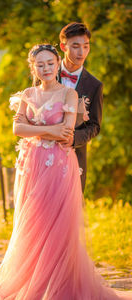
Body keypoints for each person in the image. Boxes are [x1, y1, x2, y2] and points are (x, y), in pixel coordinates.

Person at [0, 44, 132, 299]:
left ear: (57, 64)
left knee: (59, 224)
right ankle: (33, 278)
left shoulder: (69, 95)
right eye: (40, 65)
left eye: (50, 64)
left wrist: (39, 130)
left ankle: (58, 282)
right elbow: (17, 129)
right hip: (32, 165)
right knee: (34, 221)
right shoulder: (28, 94)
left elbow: (64, 132)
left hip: (60, 166)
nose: (45, 69)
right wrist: (49, 131)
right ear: (33, 68)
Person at [57, 22, 103, 192]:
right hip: (43, 154)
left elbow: (95, 126)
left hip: (75, 157)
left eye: (86, 46)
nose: (81, 52)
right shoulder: (45, 74)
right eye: (75, 46)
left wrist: (74, 139)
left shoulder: (94, 85)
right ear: (63, 46)